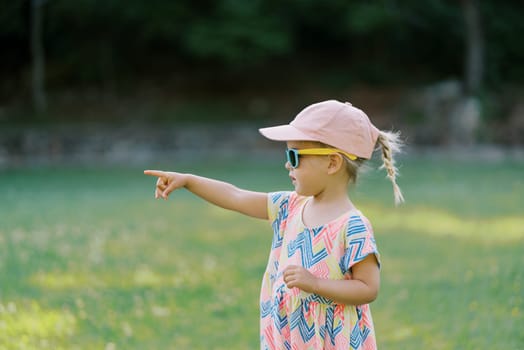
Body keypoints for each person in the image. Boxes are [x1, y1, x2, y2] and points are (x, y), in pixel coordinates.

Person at [144, 99, 404, 350]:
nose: (287, 164)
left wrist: (315, 284)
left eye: (294, 156)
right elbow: (236, 196)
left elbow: (368, 288)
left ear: (332, 162)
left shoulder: (353, 226)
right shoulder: (289, 207)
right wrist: (189, 180)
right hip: (286, 338)